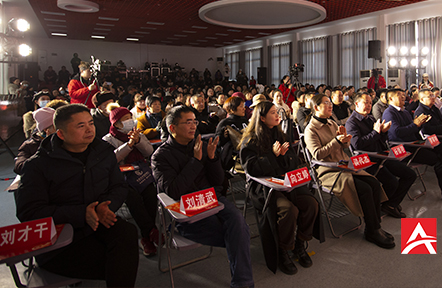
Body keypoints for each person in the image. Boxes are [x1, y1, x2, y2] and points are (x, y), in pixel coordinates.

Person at [16, 104, 138, 287]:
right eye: (81, 126)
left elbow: (119, 186)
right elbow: (29, 211)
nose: (89, 129)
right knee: (118, 262)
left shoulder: (103, 152)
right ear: (61, 134)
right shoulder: (38, 165)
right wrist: (82, 213)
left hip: (98, 223)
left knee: (127, 234)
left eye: (91, 123)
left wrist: (105, 206)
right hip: (60, 238)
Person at [152, 106, 253, 288]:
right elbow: (174, 190)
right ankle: (181, 228)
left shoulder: (202, 145)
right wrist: (196, 161)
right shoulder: (160, 157)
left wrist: (212, 159)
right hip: (186, 205)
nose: (193, 126)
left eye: (195, 122)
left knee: (238, 221)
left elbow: (218, 182)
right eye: (188, 122)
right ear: (172, 128)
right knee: (239, 233)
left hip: (212, 198)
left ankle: (242, 284)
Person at [239, 101, 322, 275]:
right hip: (264, 187)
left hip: (285, 182)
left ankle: (300, 244)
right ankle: (283, 250)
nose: (277, 115)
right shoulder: (250, 140)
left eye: (277, 112)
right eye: (272, 113)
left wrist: (283, 157)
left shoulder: (280, 134)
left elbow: (292, 161)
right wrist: (272, 155)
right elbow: (251, 169)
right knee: (289, 210)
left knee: (311, 204)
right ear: (262, 118)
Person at [304, 93, 395, 249]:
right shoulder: (311, 129)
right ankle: (372, 229)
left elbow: (343, 146)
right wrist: (336, 141)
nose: (330, 106)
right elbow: (317, 155)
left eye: (330, 103)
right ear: (316, 107)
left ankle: (375, 226)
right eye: (326, 103)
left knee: (373, 182)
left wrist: (344, 141)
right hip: (328, 171)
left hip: (343, 165)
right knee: (365, 189)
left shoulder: (332, 123)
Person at [345, 93, 415, 218]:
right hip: (368, 160)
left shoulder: (371, 119)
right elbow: (357, 145)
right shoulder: (352, 123)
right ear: (356, 104)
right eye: (365, 102)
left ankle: (390, 204)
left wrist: (383, 132)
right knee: (392, 182)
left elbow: (381, 140)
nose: (369, 105)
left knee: (410, 174)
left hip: (382, 156)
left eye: (370, 103)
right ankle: (388, 204)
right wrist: (376, 132)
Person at [103, 106, 159, 257]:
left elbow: (149, 151)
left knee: (150, 192)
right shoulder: (108, 139)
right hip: (121, 178)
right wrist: (129, 145)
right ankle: (150, 232)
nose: (129, 121)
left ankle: (147, 235)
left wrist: (138, 140)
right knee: (132, 197)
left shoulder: (137, 133)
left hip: (140, 173)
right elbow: (112, 159)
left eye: (130, 118)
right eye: (125, 119)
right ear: (116, 123)